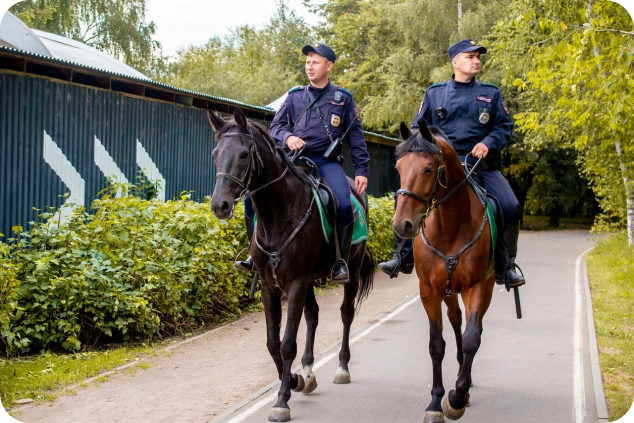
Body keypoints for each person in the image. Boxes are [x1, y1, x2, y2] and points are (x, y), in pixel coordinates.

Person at [378, 39, 525, 288]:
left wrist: (488, 142)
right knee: (403, 198)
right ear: (455, 61)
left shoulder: (491, 93)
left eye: (478, 57)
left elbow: (504, 126)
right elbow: (417, 128)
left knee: (510, 206)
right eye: (470, 57)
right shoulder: (435, 93)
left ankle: (506, 264)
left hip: (480, 164)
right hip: (441, 166)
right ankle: (401, 257)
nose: (476, 60)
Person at [234, 42, 370, 283]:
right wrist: (289, 137)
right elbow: (275, 127)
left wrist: (362, 170)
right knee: (250, 199)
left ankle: (339, 261)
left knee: (345, 205)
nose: (310, 66)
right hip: (292, 161)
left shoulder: (343, 99)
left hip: (325, 162)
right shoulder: (295, 96)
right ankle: (253, 255)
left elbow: (356, 138)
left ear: (328, 66)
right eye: (308, 62)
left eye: (315, 62)